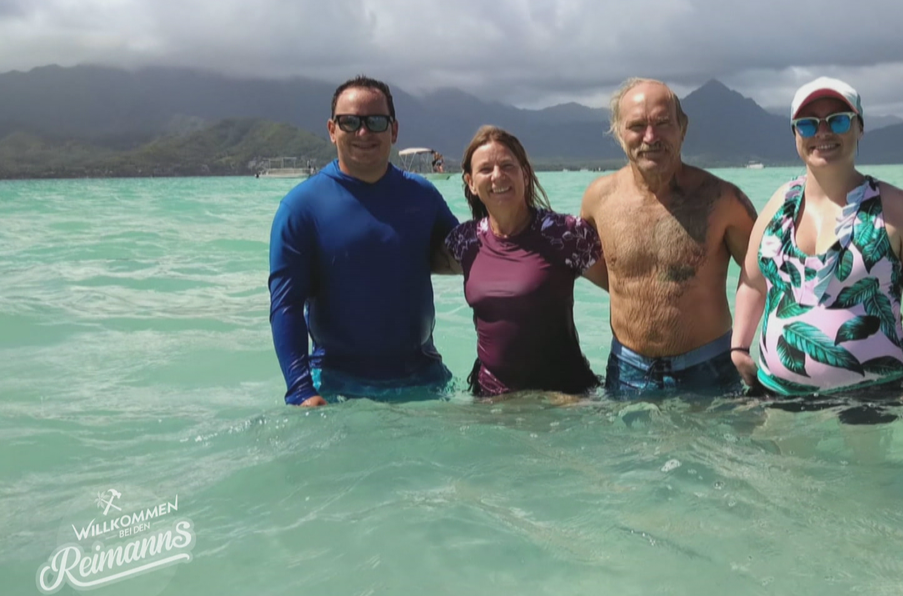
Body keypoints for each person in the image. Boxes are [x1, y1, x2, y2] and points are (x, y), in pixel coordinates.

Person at [731, 77, 903, 419]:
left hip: (874, 399)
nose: (823, 133)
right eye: (808, 124)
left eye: (838, 120)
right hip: (777, 395)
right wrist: (739, 345)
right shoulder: (779, 204)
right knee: (783, 473)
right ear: (795, 135)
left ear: (860, 129)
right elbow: (753, 282)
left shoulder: (900, 210)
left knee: (872, 475)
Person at [268, 76, 460, 406]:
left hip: (424, 379)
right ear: (332, 129)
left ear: (394, 130)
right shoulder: (301, 207)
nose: (363, 133)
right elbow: (285, 306)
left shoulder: (422, 196)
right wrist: (300, 389)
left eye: (375, 121)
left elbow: (469, 257)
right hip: (337, 385)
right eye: (350, 122)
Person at [580, 78, 758, 396]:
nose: (651, 137)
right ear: (618, 132)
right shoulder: (598, 199)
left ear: (683, 128)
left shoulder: (723, 200)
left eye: (663, 123)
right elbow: (597, 270)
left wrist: (749, 349)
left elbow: (764, 278)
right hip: (627, 371)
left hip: (709, 368)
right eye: (637, 126)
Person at [445, 125, 606, 396]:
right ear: (471, 182)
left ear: (525, 174)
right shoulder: (465, 240)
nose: (498, 176)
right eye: (485, 169)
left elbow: (624, 290)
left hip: (562, 398)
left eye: (507, 165)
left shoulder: (564, 234)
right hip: (491, 401)